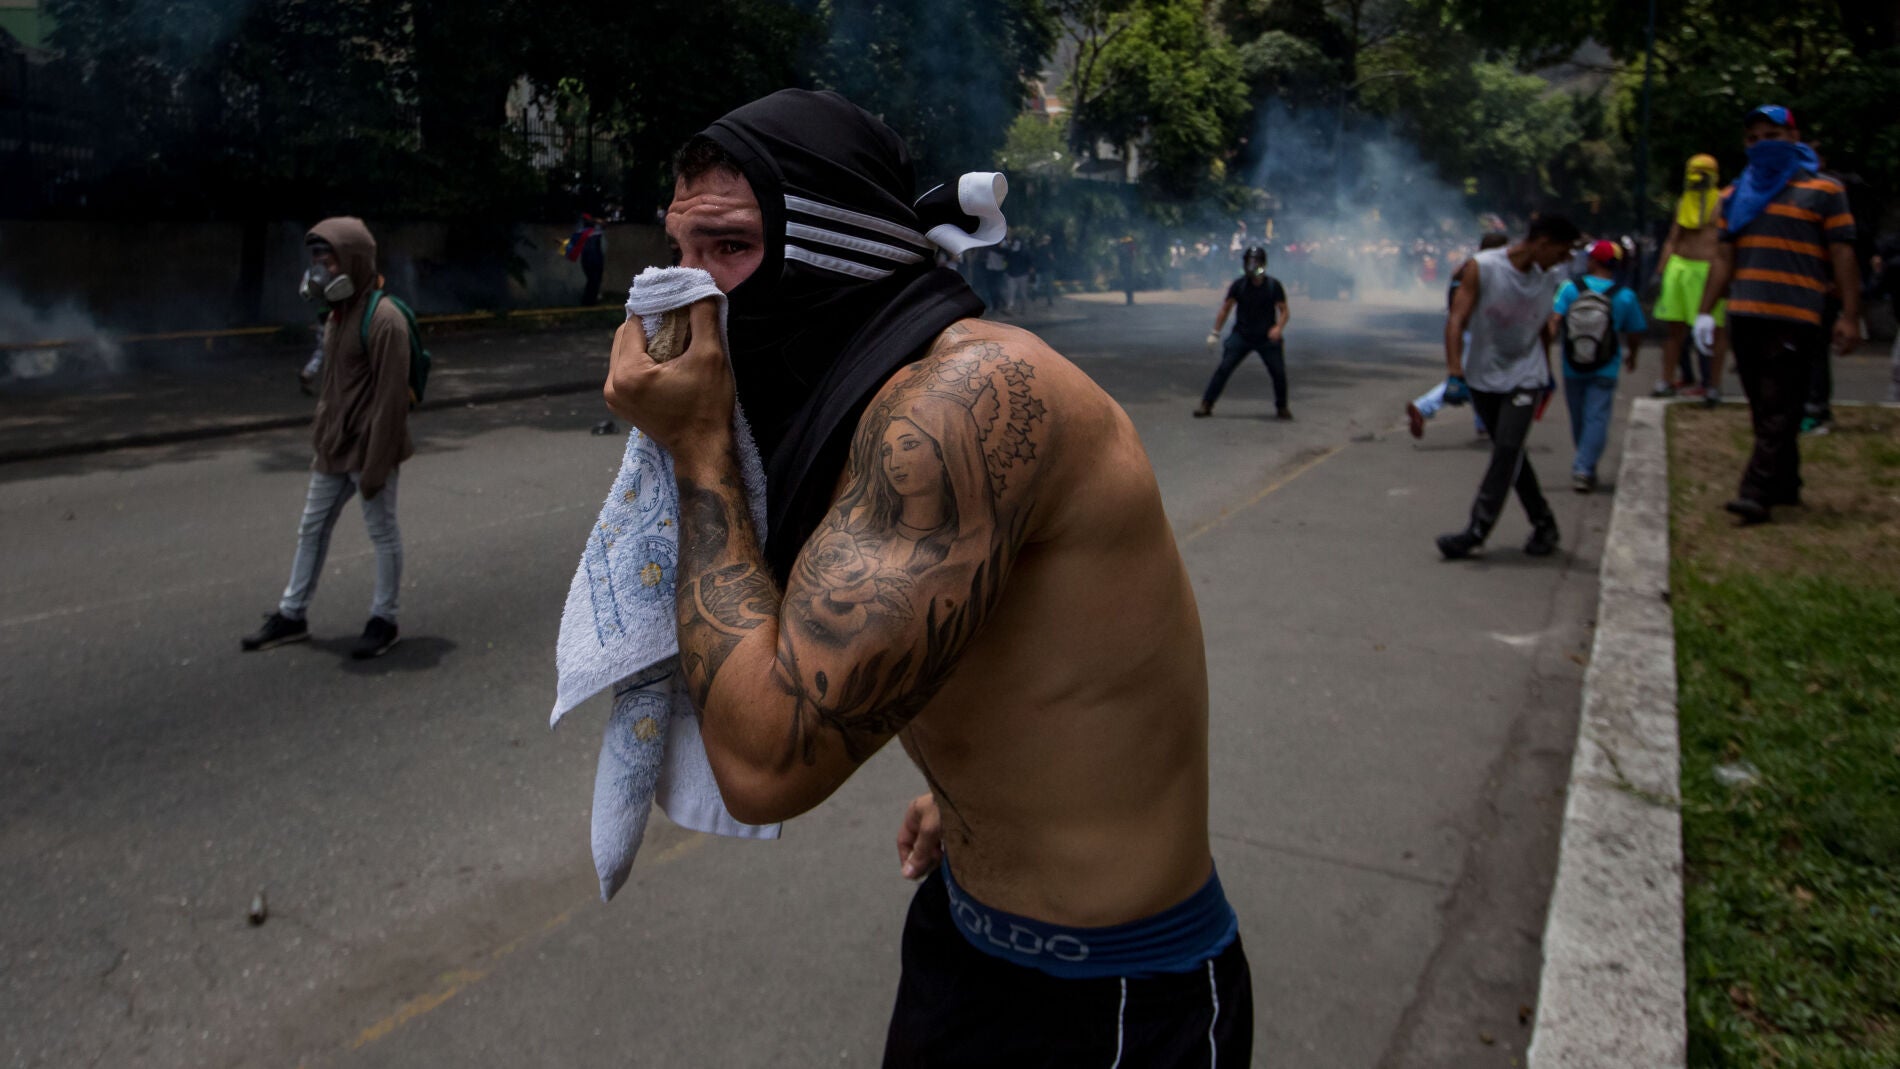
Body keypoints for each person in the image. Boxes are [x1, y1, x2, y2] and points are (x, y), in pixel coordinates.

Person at [599, 90, 1249, 1065]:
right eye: (678, 253)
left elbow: (766, 764)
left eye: (727, 250)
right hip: (965, 942)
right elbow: (1041, 652)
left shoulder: (970, 396)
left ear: (832, 252)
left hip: (1114, 996)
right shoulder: (875, 402)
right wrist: (982, 785)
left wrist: (697, 446)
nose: (688, 295)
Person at [243, 219, 413, 658]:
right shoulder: (337, 315)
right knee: (311, 529)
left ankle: (384, 620)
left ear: (353, 261)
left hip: (370, 450)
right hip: (334, 449)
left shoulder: (385, 319)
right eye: (316, 258)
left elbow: (392, 400)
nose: (319, 267)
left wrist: (376, 465)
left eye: (329, 257)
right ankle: (291, 613)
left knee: (382, 533)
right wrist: (322, 436)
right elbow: (334, 387)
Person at [1695, 104, 1861, 524]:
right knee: (1763, 406)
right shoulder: (1734, 196)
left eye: (1772, 135)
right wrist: (1704, 312)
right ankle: (1786, 483)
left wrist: (1849, 313)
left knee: (1780, 401)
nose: (1762, 145)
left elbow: (1842, 253)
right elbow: (1722, 258)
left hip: (1798, 313)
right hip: (1746, 313)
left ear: (1794, 137)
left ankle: (1755, 492)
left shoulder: (1824, 191)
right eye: (1753, 138)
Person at [1435, 214, 1580, 560]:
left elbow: (1544, 327)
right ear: (1542, 242)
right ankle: (1545, 523)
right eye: (1561, 252)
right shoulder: (1482, 268)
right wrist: (1455, 371)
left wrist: (1546, 374)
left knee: (1507, 450)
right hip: (1484, 374)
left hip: (1526, 375)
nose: (1565, 261)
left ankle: (1475, 531)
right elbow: (1456, 319)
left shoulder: (1553, 276)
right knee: (1510, 453)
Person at [1553, 240, 1647, 492]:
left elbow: (1554, 319)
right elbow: (1635, 331)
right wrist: (1633, 355)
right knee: (1596, 417)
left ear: (1593, 261)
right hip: (1606, 365)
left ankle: (1584, 465)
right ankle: (1585, 467)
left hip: (1572, 365)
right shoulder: (1625, 296)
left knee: (1578, 417)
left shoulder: (1569, 288)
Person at [1407, 233, 1507, 438]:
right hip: (1476, 330)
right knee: (1471, 378)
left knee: (1480, 377)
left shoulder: (1465, 267)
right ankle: (1423, 407)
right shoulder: (1484, 269)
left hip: (1466, 329)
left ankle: (1484, 423)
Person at [1194, 245, 1291, 420]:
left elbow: (1284, 311)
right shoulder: (1239, 285)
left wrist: (1278, 328)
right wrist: (1215, 332)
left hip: (1266, 337)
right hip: (1242, 335)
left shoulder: (1273, 286)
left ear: (1263, 264)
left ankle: (1282, 407)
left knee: (1278, 373)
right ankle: (1206, 404)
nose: (1252, 265)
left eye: (1256, 262)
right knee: (1224, 369)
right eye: (1249, 262)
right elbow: (1226, 309)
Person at [567, 213, 608, 305]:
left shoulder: (586, 232)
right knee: (593, 280)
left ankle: (590, 301)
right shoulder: (586, 232)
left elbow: (604, 225)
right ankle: (588, 301)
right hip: (592, 259)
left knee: (594, 280)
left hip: (593, 259)